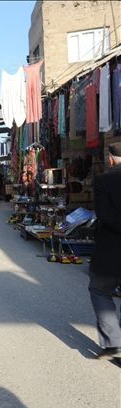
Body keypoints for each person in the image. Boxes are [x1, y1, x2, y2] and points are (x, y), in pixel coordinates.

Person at [88, 144, 121, 360]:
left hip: (111, 249)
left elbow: (106, 217)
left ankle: (113, 342)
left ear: (111, 159)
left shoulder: (102, 181)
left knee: (100, 290)